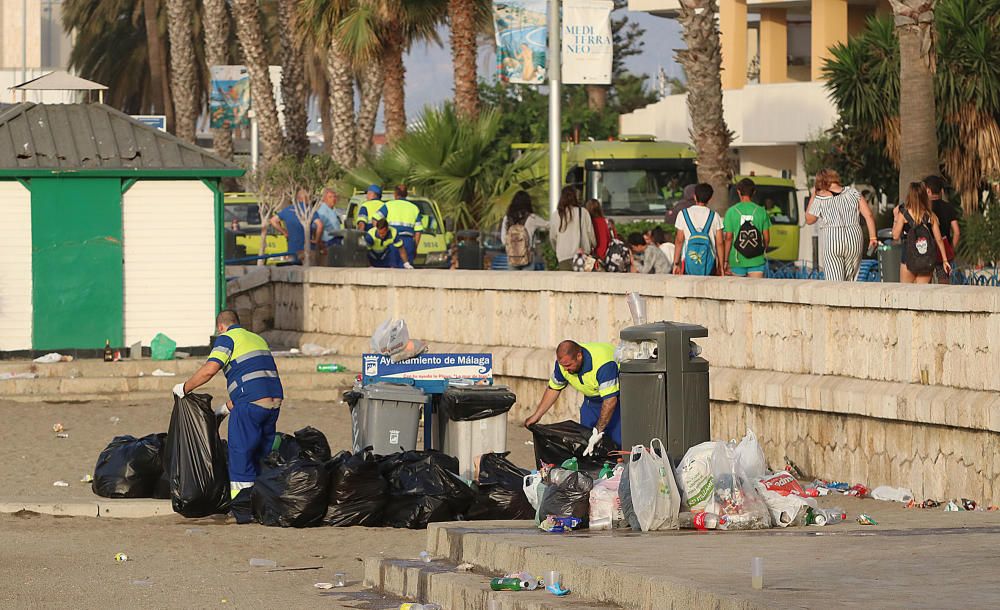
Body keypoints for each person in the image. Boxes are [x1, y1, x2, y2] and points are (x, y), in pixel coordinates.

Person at [173, 310, 282, 522]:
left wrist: (184, 388)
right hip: (273, 404)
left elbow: (209, 370)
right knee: (261, 457)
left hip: (250, 406)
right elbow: (254, 378)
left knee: (240, 456)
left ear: (220, 327)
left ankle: (243, 512)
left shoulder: (227, 338)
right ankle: (263, 506)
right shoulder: (257, 339)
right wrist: (224, 409)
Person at [523, 340, 622, 451]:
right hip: (591, 401)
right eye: (563, 365)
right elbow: (554, 389)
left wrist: (598, 431)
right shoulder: (564, 364)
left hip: (618, 400)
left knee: (617, 443)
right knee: (587, 442)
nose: (566, 370)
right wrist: (536, 416)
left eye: (568, 365)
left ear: (579, 356)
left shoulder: (603, 364)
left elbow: (610, 401)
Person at [805, 169, 878, 281]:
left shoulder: (821, 197)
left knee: (835, 284)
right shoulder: (853, 192)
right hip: (854, 238)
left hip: (832, 239)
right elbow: (868, 215)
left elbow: (809, 219)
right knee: (850, 282)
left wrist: (814, 195)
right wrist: (873, 237)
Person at [892, 181, 952, 284]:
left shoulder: (903, 214)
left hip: (908, 259)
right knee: (922, 295)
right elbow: (939, 239)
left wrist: (895, 218)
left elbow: (895, 236)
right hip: (926, 260)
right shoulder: (930, 215)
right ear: (924, 196)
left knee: (906, 294)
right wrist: (945, 260)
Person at [723, 178, 772, 278]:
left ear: (738, 192)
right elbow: (766, 238)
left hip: (736, 260)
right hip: (757, 260)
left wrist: (725, 260)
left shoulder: (731, 212)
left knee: (737, 292)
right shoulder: (761, 211)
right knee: (756, 292)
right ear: (753, 192)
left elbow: (728, 238)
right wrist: (761, 250)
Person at [672, 183, 724, 276]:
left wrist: (676, 263)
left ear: (695, 197)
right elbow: (720, 243)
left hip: (688, 262)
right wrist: (721, 266)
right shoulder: (715, 216)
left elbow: (679, 241)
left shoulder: (683, 214)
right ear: (710, 198)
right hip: (709, 263)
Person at [375, 185, 423, 267]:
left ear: (395, 194)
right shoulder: (414, 208)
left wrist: (379, 234)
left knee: (391, 270)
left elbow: (375, 219)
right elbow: (418, 231)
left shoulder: (388, 205)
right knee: (407, 271)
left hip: (391, 241)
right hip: (408, 242)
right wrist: (415, 247)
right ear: (406, 194)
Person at [550, 186, 595, 270]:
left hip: (563, 256)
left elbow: (552, 237)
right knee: (583, 282)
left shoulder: (556, 215)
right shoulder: (583, 212)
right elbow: (590, 233)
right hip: (583, 255)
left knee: (566, 282)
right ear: (575, 197)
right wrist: (594, 245)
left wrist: (557, 249)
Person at [924, 175, 960, 284]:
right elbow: (957, 232)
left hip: (927, 249)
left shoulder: (924, 209)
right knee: (944, 282)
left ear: (928, 191)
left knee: (926, 282)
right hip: (944, 249)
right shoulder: (948, 207)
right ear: (941, 191)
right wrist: (951, 248)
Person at [270, 188, 319, 265]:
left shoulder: (287, 210)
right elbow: (320, 225)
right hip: (307, 248)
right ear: (307, 198)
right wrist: (316, 239)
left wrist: (284, 232)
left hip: (292, 248)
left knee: (293, 271)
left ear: (297, 199)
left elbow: (273, 220)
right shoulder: (309, 210)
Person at [500, 190, 546, 270]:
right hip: (528, 257)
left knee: (513, 281)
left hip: (512, 257)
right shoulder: (532, 218)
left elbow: (504, 240)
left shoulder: (507, 218)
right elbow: (547, 225)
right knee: (527, 282)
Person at [313, 188, 343, 262]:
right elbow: (315, 228)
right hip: (328, 242)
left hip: (337, 241)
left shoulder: (334, 210)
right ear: (324, 199)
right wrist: (320, 244)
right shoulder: (322, 211)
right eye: (330, 197)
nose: (333, 199)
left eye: (334, 197)